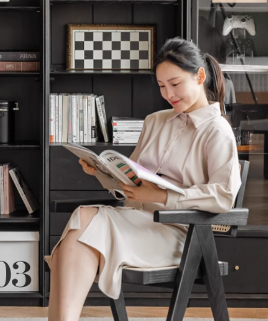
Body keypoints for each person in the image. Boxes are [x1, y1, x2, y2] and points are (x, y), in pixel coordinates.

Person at [45, 37, 242, 321]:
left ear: (199, 76)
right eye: (162, 86)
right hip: (133, 222)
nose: (169, 94)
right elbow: (131, 183)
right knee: (81, 223)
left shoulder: (216, 130)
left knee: (84, 222)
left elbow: (223, 195)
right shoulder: (155, 121)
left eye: (175, 84)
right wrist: (102, 172)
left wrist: (162, 197)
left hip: (180, 236)